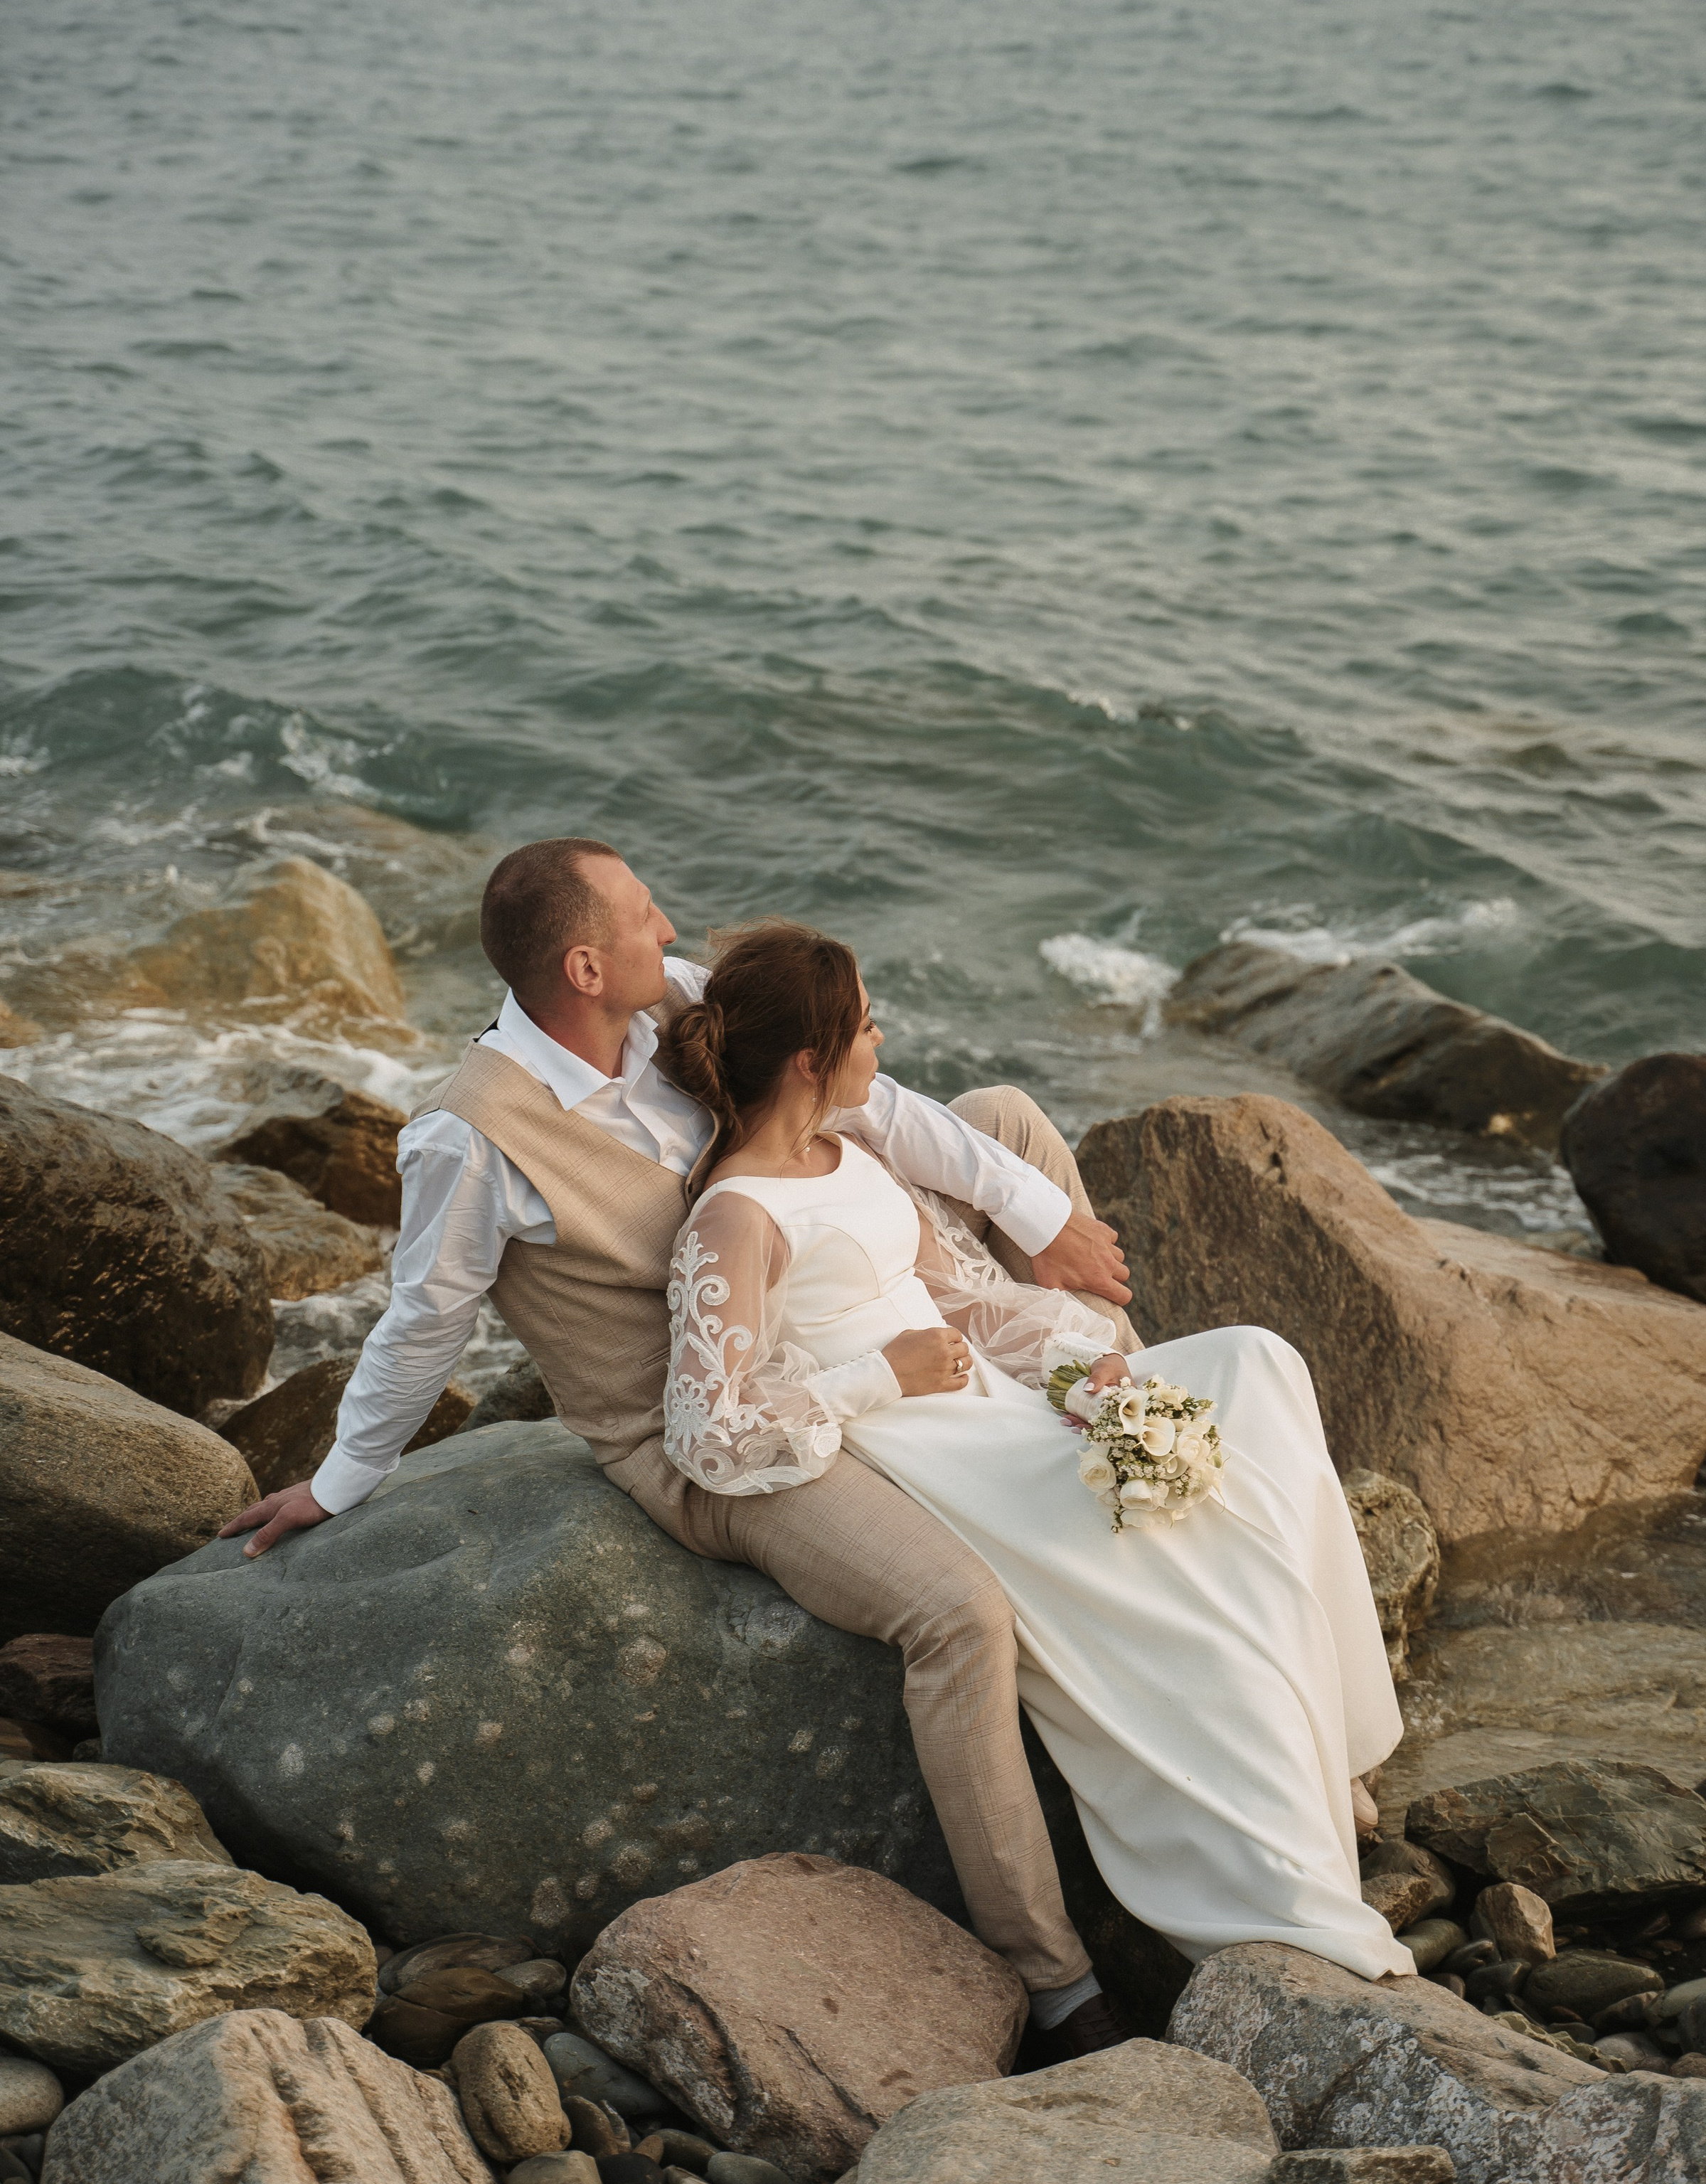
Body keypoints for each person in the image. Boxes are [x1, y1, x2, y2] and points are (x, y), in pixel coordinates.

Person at [220, 836, 1144, 2059]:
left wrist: (1044, 1228)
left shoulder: (681, 1003)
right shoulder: (473, 1137)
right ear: (585, 964)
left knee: (1009, 1133)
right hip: (713, 1437)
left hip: (837, 1298)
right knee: (959, 1616)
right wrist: (339, 1485)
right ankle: (1055, 1974)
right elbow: (421, 1325)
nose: (677, 932)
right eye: (648, 918)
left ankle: (1145, 1456)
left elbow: (871, 1105)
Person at [656, 919, 1413, 1990]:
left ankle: (1328, 1754)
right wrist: (878, 1379)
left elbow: (966, 1302)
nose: (886, 1040)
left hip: (997, 1408)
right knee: (1183, 1572)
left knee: (1256, 1363)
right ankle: (1272, 1876)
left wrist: (1083, 1363)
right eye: (868, 1026)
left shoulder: (851, 1153)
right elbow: (707, 1431)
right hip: (927, 1452)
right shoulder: (734, 1219)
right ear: (811, 1062)